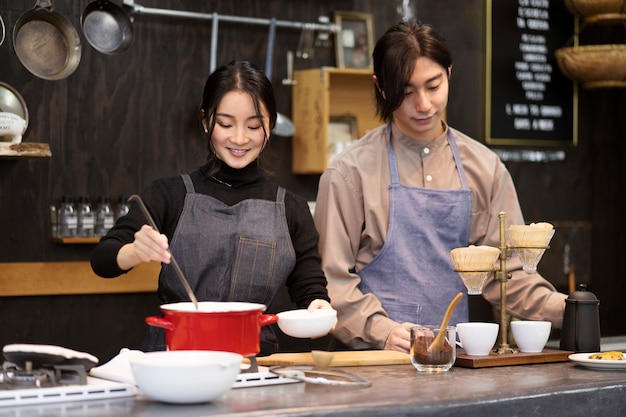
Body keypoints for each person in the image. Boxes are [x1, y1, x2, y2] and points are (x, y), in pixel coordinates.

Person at [313, 20, 567, 353]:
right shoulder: (349, 173)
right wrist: (380, 330)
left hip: (453, 359)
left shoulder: (485, 168)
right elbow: (331, 280)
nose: (423, 104)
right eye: (406, 92)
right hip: (373, 361)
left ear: (449, 73)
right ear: (381, 87)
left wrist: (568, 308)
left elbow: (508, 275)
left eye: (433, 86)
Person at [91, 60, 332, 355]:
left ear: (270, 124)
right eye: (226, 124)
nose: (240, 138)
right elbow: (102, 260)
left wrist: (319, 305)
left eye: (254, 125)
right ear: (206, 121)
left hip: (253, 360)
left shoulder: (291, 208)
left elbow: (309, 288)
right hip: (176, 357)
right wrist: (134, 252)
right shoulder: (169, 194)